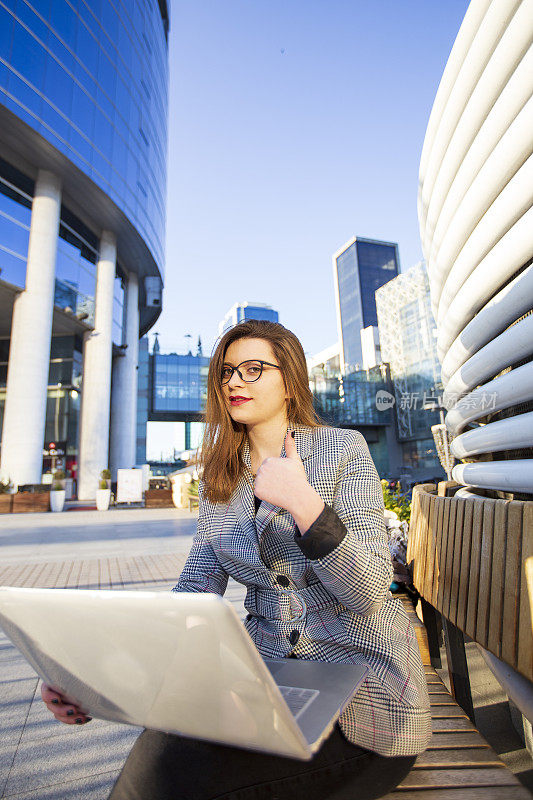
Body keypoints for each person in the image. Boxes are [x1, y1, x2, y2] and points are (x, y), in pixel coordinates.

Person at [41, 320, 432, 799]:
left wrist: (304, 504)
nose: (233, 382)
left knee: (167, 777)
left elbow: (367, 590)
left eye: (252, 369)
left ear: (289, 382)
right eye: (227, 372)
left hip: (362, 692)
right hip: (268, 678)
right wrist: (90, 671)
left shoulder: (342, 449)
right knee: (161, 749)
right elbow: (192, 594)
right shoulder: (220, 476)